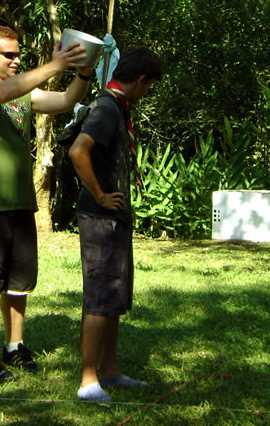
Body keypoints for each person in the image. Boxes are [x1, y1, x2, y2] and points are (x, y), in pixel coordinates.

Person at [0, 23, 93, 382]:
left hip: (20, 203)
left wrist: (82, 72)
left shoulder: (21, 95)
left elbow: (66, 101)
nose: (16, 60)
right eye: (9, 55)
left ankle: (14, 347)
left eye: (18, 54)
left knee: (18, 283)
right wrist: (55, 65)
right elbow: (0, 93)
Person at [68, 47, 163, 403]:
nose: (147, 93)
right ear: (141, 80)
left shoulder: (116, 105)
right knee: (98, 296)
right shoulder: (108, 107)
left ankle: (109, 370)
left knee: (113, 296)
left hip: (115, 219)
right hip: (100, 219)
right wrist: (100, 195)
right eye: (149, 86)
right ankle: (88, 380)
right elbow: (78, 151)